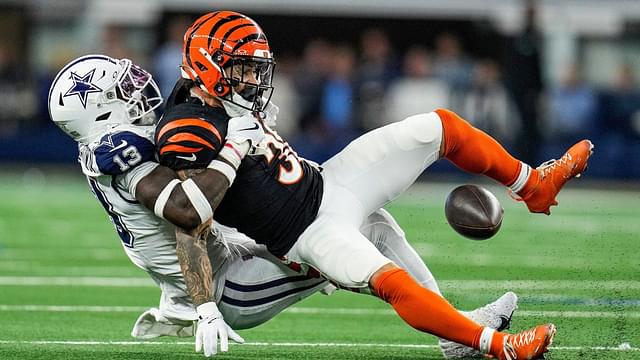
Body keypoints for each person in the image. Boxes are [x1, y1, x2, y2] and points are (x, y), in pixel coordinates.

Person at [157, 11, 594, 359]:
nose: (253, 80)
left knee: (438, 127)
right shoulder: (189, 127)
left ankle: (533, 184)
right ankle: (495, 347)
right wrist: (204, 305)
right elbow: (189, 216)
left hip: (327, 180)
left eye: (255, 69)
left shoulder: (222, 99)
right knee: (391, 279)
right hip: (305, 234)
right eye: (241, 69)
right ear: (209, 69)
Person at [47, 54, 518, 359]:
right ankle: (460, 338)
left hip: (226, 252)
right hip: (230, 287)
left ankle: (454, 333)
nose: (142, 88)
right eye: (125, 89)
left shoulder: (125, 141)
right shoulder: (121, 153)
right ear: (102, 112)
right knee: (354, 233)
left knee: (370, 220)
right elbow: (186, 218)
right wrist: (204, 306)